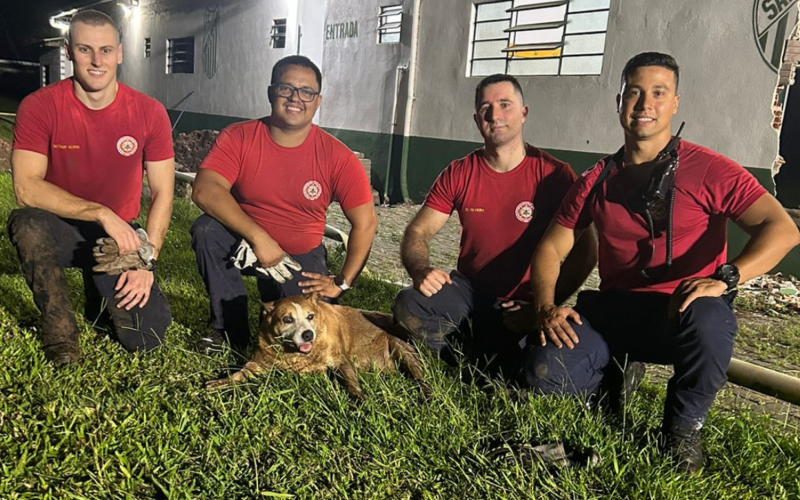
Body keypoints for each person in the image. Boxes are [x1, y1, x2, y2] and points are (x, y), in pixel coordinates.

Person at [530, 52, 800, 473]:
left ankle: (681, 431)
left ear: (675, 103)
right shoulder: (597, 179)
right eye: (634, 93)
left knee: (710, 320)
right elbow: (551, 248)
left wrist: (726, 278)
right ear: (618, 101)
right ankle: (613, 377)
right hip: (618, 311)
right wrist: (546, 307)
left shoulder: (709, 169)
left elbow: (782, 229)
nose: (644, 104)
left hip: (682, 312)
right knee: (543, 375)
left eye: (658, 93)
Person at [392, 74, 601, 386]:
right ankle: (467, 368)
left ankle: (495, 361)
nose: (495, 115)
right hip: (470, 292)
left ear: (523, 113)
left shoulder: (555, 175)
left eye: (505, 105)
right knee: (409, 304)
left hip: (528, 301)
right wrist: (421, 269)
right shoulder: (460, 172)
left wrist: (544, 306)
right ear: (477, 119)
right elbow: (418, 232)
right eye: (486, 108)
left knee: (547, 365)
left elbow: (587, 250)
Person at [8, 9, 175, 366]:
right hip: (61, 227)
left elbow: (163, 192)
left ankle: (98, 292)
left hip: (119, 241)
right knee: (27, 222)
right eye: (85, 50)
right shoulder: (39, 106)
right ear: (68, 51)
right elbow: (26, 188)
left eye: (105, 50)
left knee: (147, 337)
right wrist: (100, 212)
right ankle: (60, 334)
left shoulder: (149, 112)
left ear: (119, 53)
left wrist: (147, 259)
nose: (96, 61)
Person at [190, 55, 377, 353]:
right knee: (206, 231)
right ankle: (229, 330)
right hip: (245, 244)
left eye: (306, 92)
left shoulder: (338, 157)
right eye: (286, 88)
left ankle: (274, 291)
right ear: (270, 92)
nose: (295, 98)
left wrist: (342, 282)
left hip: (299, 253)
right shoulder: (239, 136)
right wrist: (259, 237)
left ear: (318, 101)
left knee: (310, 337)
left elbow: (365, 223)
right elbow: (204, 189)